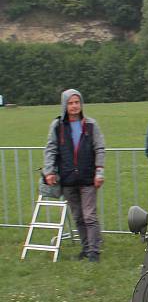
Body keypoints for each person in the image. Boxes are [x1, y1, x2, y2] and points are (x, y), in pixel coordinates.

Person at [43, 89, 106, 262]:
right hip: (68, 179)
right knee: (78, 216)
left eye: (77, 102)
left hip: (88, 178)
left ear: (81, 104)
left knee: (89, 215)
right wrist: (49, 171)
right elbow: (51, 149)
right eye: (70, 103)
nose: (74, 106)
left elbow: (99, 148)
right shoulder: (57, 126)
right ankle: (85, 248)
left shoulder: (91, 125)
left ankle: (94, 251)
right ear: (65, 105)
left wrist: (99, 171)